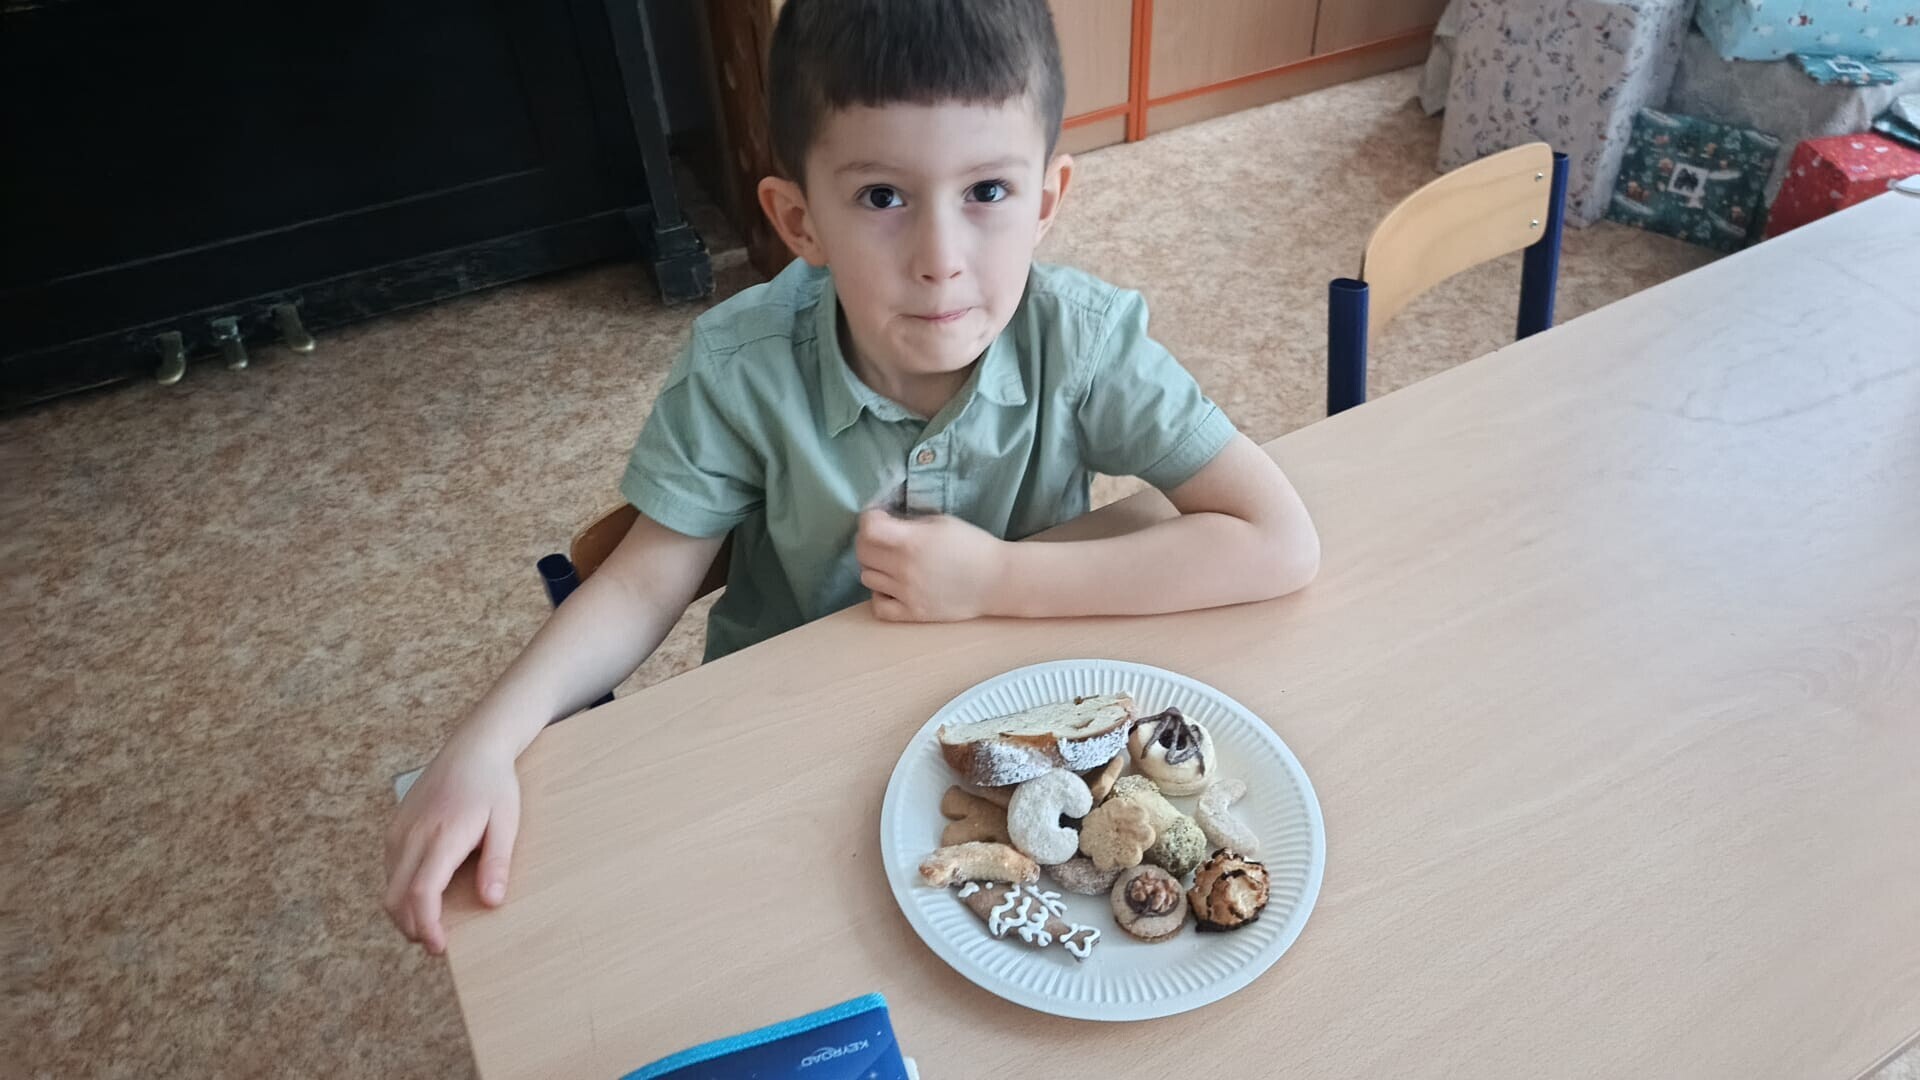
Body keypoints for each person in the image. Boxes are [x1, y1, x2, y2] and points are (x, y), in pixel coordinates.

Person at [384, 0, 1320, 955]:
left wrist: (996, 579)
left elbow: (1278, 540)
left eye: (987, 190)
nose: (941, 262)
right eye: (882, 197)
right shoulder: (740, 367)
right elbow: (637, 585)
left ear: (1046, 200)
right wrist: (487, 740)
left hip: (1009, 732)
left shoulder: (1080, 342)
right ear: (800, 221)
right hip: (788, 765)